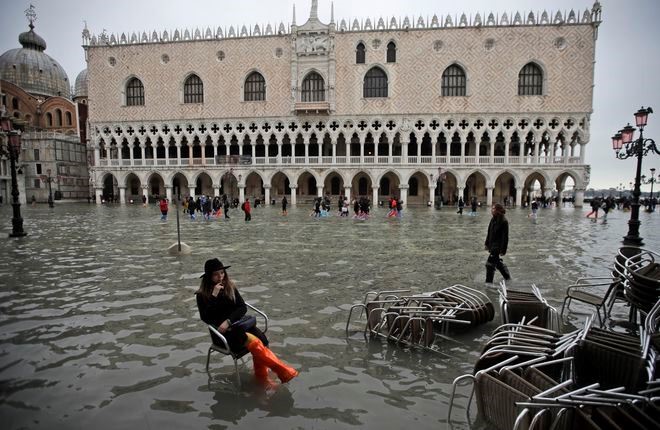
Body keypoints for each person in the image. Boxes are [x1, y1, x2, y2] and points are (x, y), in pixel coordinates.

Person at [196, 259, 298, 388]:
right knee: (255, 343)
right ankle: (280, 372)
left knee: (262, 339)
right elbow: (206, 317)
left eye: (222, 273)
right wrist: (214, 296)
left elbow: (242, 308)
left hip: (237, 325)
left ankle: (262, 378)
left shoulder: (230, 287)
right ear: (208, 276)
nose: (220, 276)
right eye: (216, 274)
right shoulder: (201, 295)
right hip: (221, 333)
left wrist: (229, 321)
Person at [484, 203, 511, 284]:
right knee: (497, 263)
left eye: (493, 209)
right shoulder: (493, 219)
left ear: (497, 210)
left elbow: (505, 237)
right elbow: (489, 232)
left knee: (489, 264)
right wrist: (487, 243)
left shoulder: (504, 221)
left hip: (497, 246)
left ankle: (488, 283)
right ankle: (507, 277)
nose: (492, 210)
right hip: (492, 245)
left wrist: (503, 250)